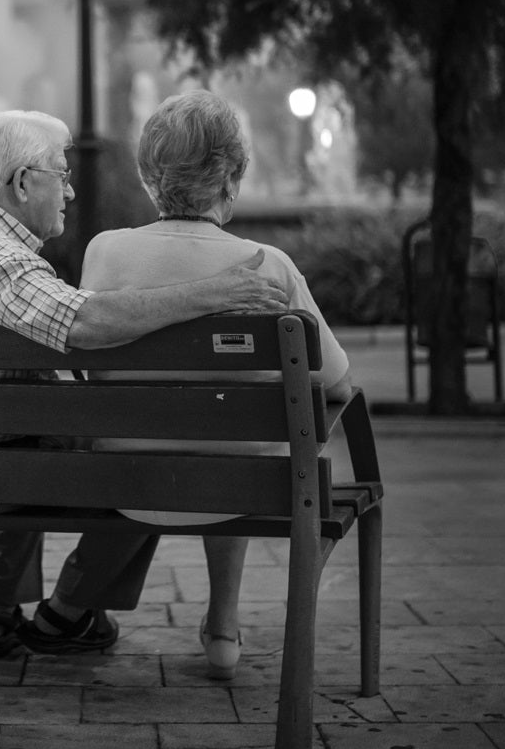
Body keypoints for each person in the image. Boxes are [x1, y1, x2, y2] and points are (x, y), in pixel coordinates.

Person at [0, 108, 290, 660]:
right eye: (61, 175)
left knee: (26, 417)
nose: (69, 192)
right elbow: (85, 324)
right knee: (145, 439)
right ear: (23, 183)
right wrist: (210, 293)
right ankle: (67, 611)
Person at [81, 90, 352, 680]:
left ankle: (78, 608)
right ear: (230, 176)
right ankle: (223, 625)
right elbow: (335, 376)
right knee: (231, 436)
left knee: (199, 432)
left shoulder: (104, 253)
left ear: (150, 178)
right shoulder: (268, 266)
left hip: (127, 482)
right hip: (239, 489)